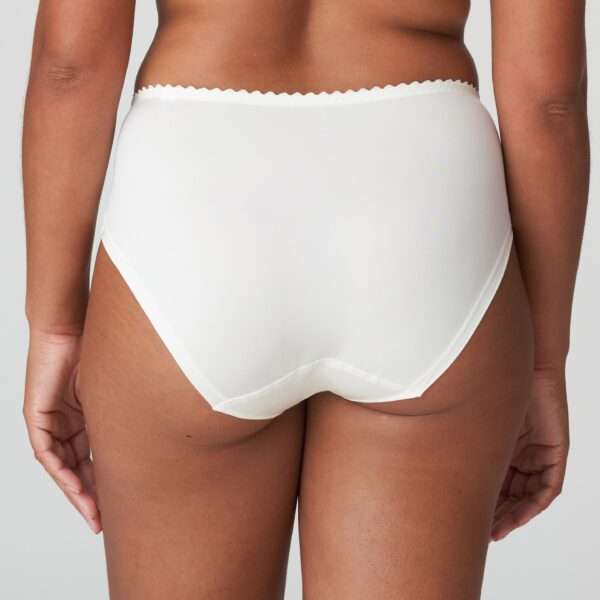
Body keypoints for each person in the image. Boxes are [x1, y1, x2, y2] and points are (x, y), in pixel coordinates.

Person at [21, 1, 589, 598]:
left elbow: (69, 68)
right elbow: (550, 100)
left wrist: (55, 327)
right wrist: (544, 363)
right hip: (423, 209)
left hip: (197, 195)